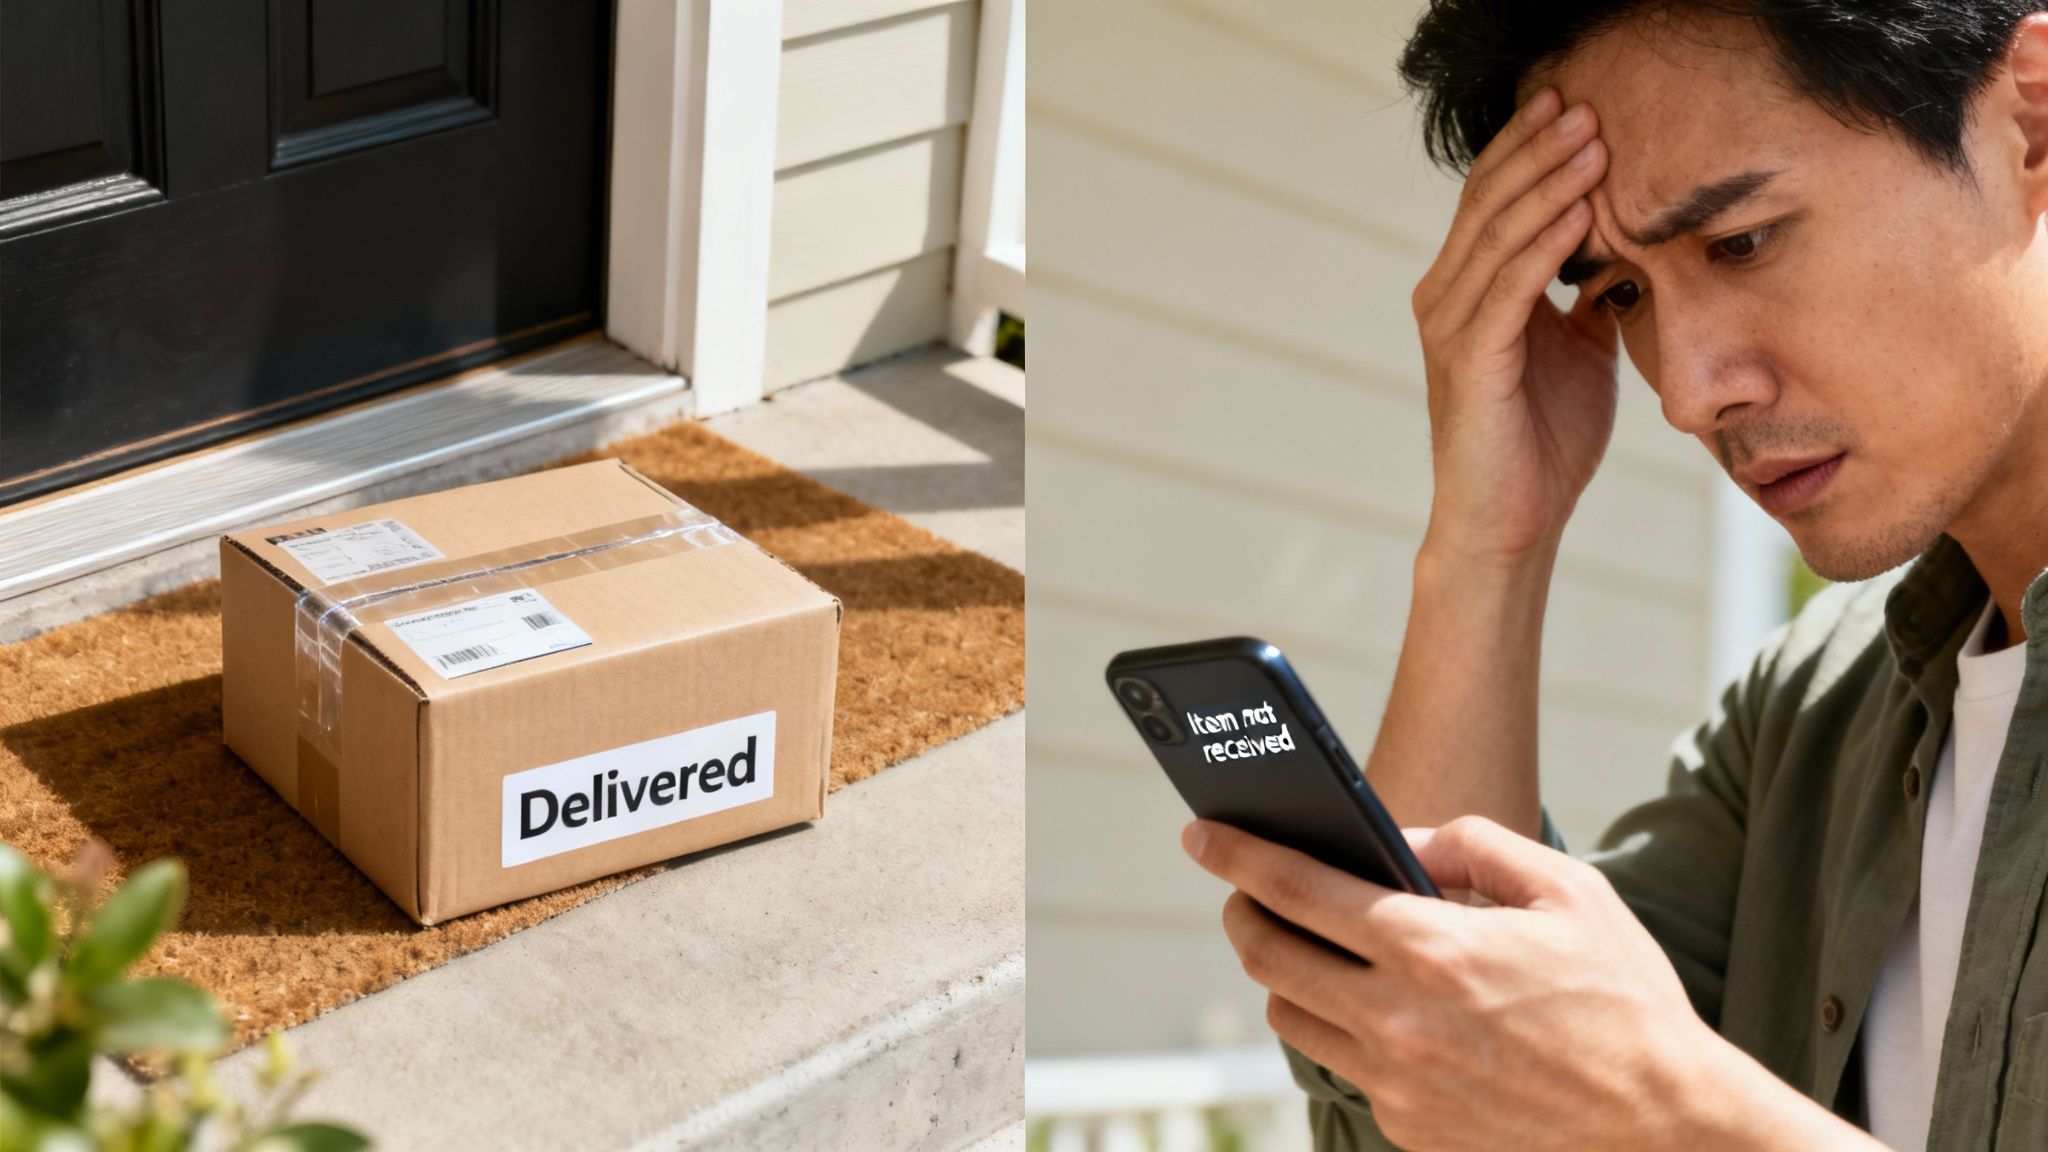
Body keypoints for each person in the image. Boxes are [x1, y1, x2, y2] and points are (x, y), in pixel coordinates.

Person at [1175, 3, 2048, 1150]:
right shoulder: (1812, 710)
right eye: (1620, 294)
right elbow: (1405, 1118)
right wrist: (1492, 542)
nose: (1685, 396)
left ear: (2027, 114)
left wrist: (1669, 1113)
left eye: (1738, 240)